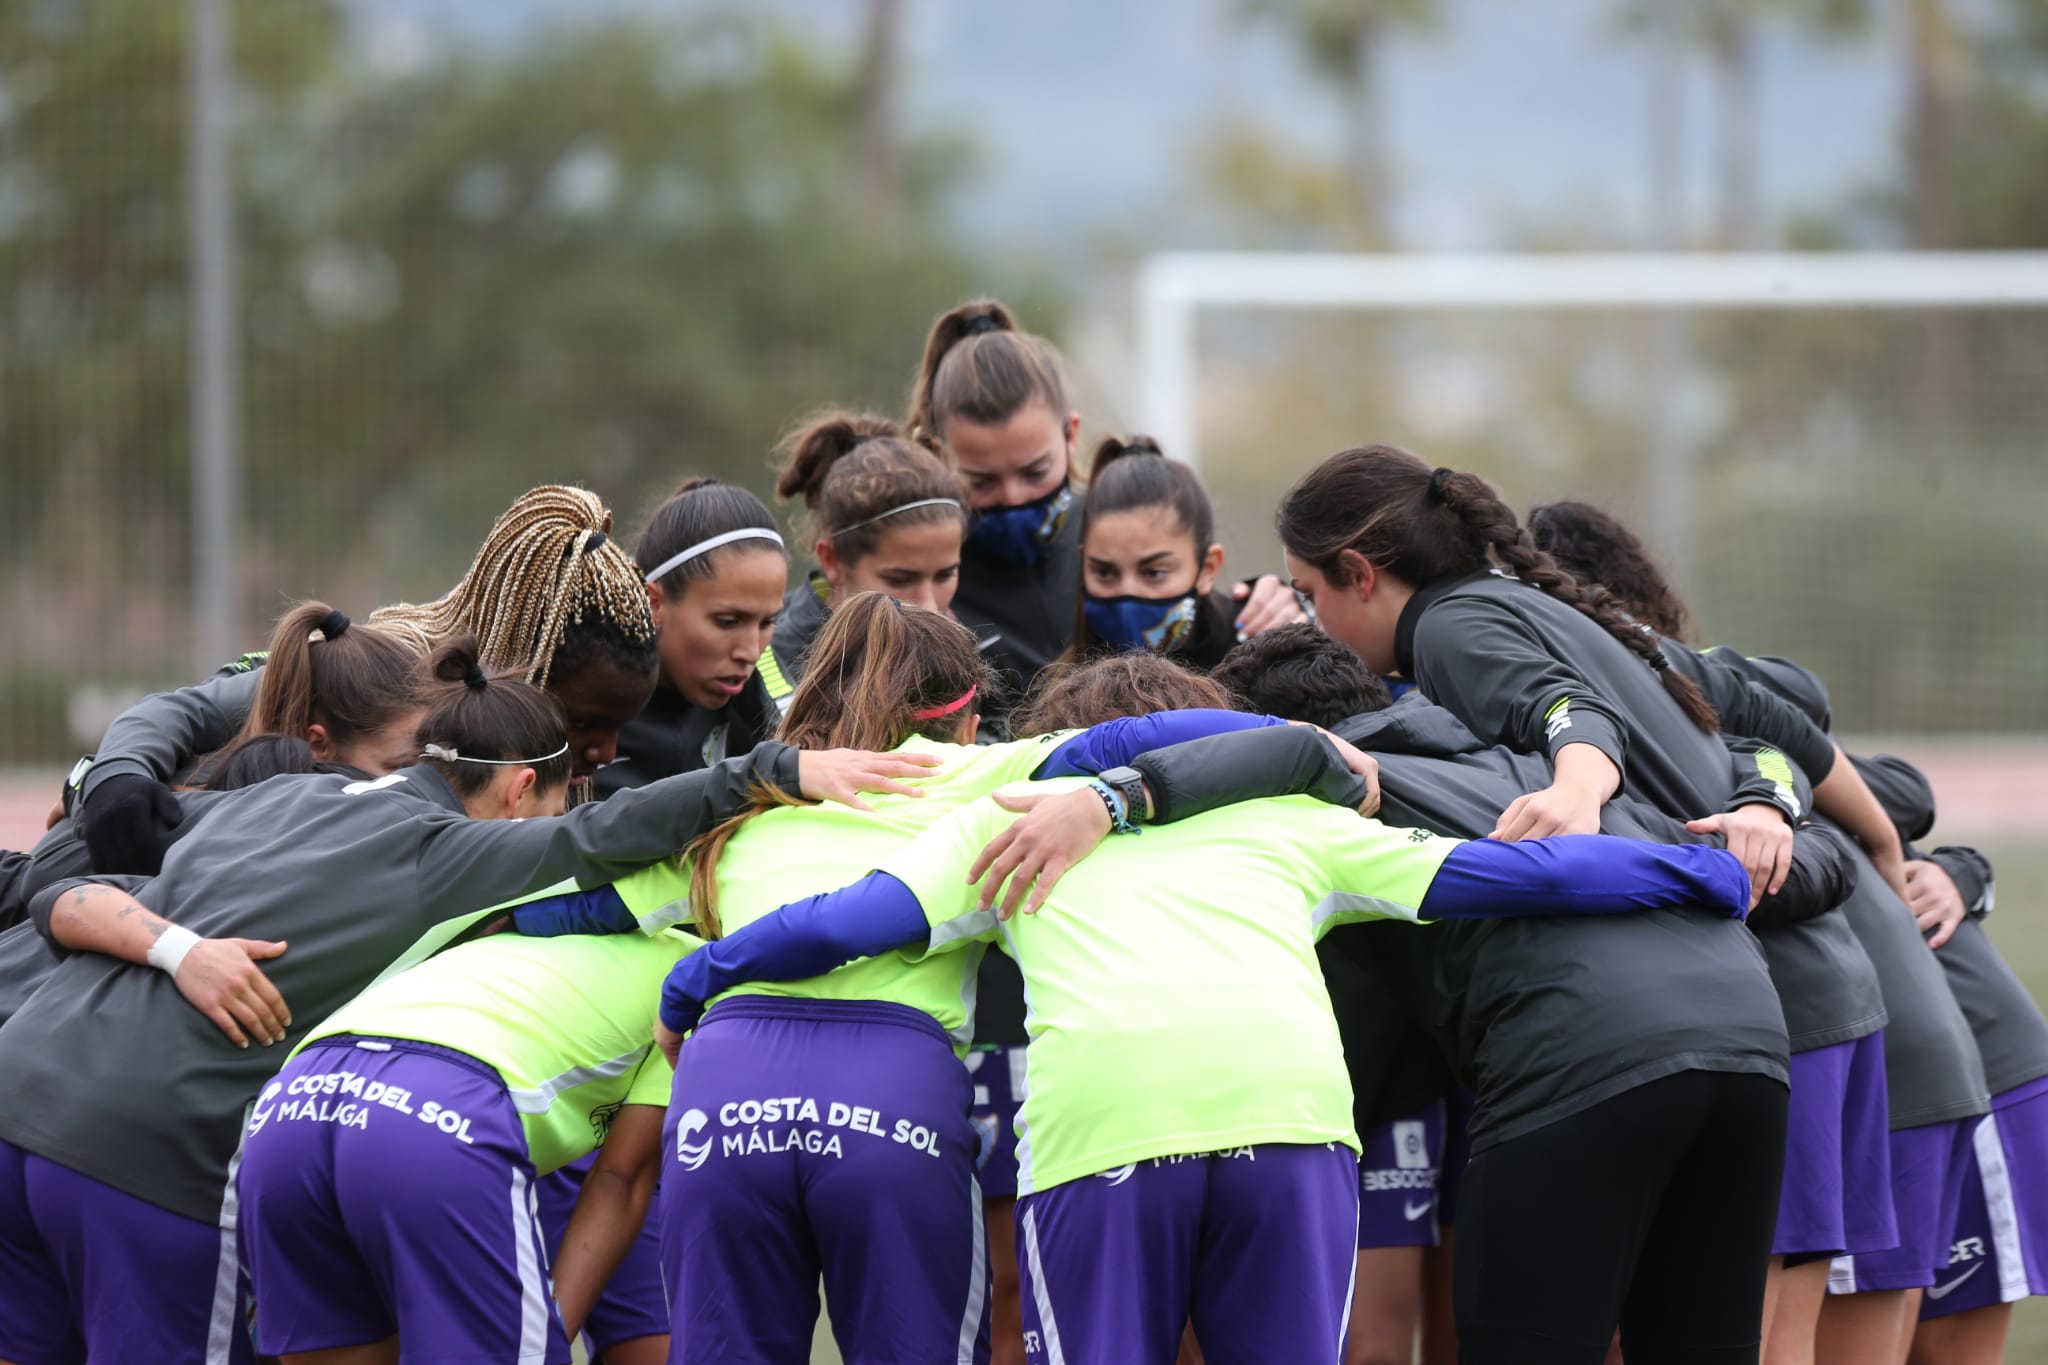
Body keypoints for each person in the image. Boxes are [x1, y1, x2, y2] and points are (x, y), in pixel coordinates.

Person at [655, 651, 1758, 1365]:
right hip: (1287, 1126)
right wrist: (1705, 877)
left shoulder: (1014, 815)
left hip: (1110, 1134)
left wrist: (695, 979)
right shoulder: (1292, 823)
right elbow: (1523, 876)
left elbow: (841, 926)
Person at [0, 639, 927, 1365]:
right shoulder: (446, 856)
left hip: (19, 1104)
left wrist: (175, 945)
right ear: (524, 791)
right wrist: (773, 771)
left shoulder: (274, 795)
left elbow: (54, 893)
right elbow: (615, 834)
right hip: (146, 1154)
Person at [547, 594, 1373, 1365]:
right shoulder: (984, 776)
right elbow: (1139, 739)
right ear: (966, 714)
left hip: (724, 1102)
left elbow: (570, 909)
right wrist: (1299, 736)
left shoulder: (742, 807)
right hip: (888, 1096)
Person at [1272, 447, 1902, 1363]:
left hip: (1713, 994)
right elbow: (1769, 721)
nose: (1312, 618)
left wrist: (1577, 788)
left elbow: (1566, 713)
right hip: (1761, 1007)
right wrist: (1789, 806)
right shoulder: (1554, 611)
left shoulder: (1448, 629)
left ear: (1360, 575)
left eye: (1306, 593)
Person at [1218, 624, 1853, 1365]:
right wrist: (1756, 835)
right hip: (1748, 1050)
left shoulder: (1323, 809)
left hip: (1576, 1059)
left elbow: (1364, 1044)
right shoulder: (1556, 770)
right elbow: (1823, 862)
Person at [908, 299, 1306, 1360]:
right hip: (1010, 956)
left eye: (1032, 475)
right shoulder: (929, 575)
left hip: (1175, 985)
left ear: (1073, 442)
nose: (1005, 503)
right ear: (934, 456)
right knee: (1017, 1294)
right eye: (977, 480)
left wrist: (1265, 621)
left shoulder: (1129, 535)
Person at [1528, 498, 1996, 1364]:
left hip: (1834, 1041)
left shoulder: (1671, 693)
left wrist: (1897, 843)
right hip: (1866, 1041)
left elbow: (1842, 750)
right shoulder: (1655, 715)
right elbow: (1864, 768)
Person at [65, 485, 662, 871]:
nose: (607, 751)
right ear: (523, 650)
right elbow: (183, 711)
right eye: (583, 722)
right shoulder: (399, 672)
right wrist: (108, 781)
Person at [238, 916, 712, 1365]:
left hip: (293, 1099)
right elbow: (620, 1179)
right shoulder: (705, 976)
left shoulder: (536, 927)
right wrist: (535, 1341)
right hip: (436, 1103)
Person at [599, 478, 789, 793]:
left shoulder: (756, 692)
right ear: (654, 602)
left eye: (768, 621)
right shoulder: (585, 702)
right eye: (728, 621)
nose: (752, 651)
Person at [766, 410, 967, 700]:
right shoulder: (769, 666)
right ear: (832, 561)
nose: (928, 605)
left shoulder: (960, 648)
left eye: (945, 575)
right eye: (900, 579)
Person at [1065, 437, 1242, 670]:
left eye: (1154, 573)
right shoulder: (1061, 682)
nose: (1127, 592)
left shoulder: (1256, 663)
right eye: (1105, 573)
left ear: (1207, 569)